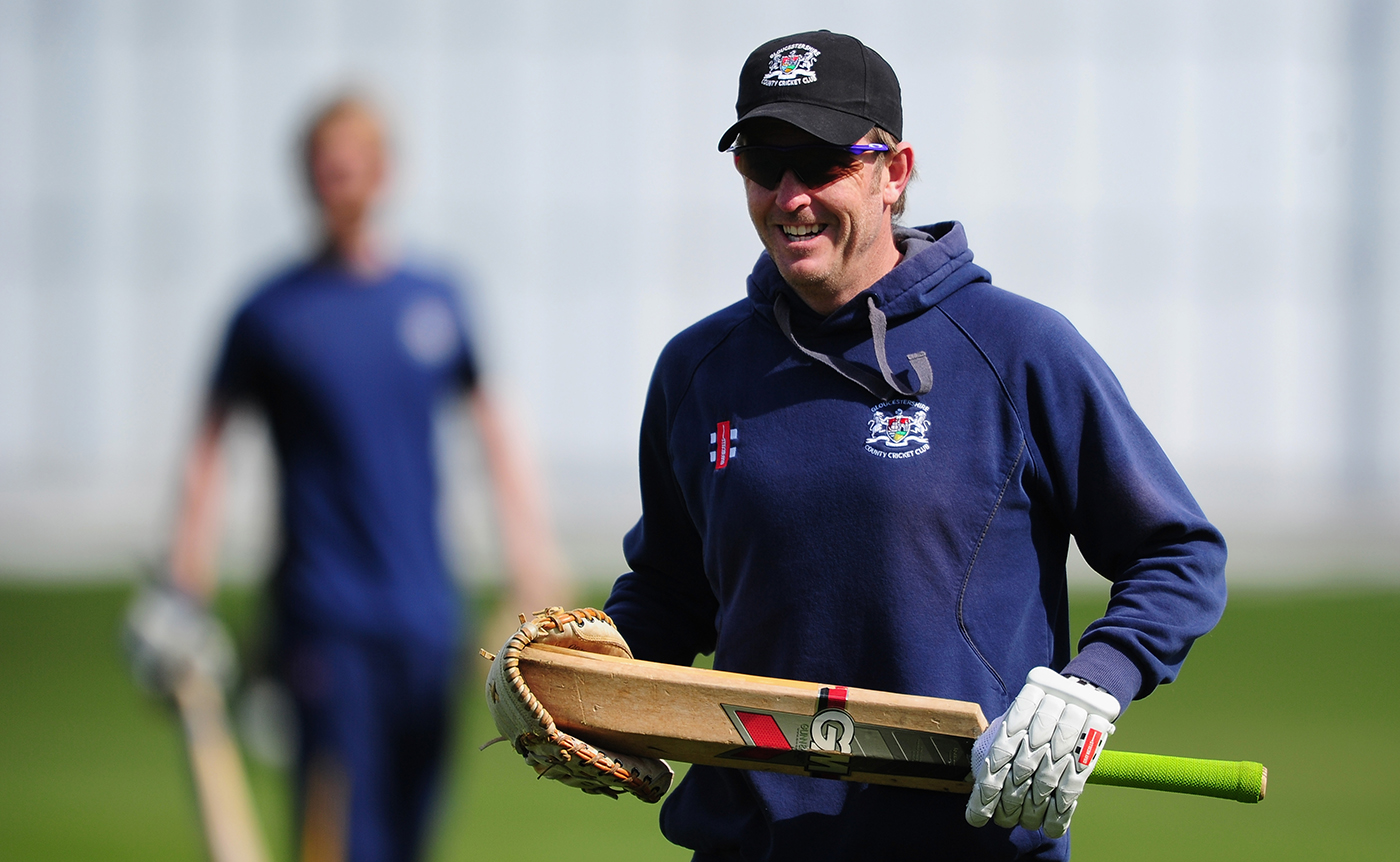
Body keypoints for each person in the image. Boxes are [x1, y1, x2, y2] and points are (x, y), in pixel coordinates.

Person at [602, 31, 1227, 860]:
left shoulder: (1018, 349)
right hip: (746, 843)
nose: (789, 197)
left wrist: (1093, 684)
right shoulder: (697, 370)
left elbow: (1178, 553)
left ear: (892, 172)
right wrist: (587, 678)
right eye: (762, 162)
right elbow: (672, 593)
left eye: (821, 163)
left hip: (965, 840)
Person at [164, 95, 564, 862]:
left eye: (351, 170)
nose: (337, 187)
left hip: (426, 616)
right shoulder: (269, 312)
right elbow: (208, 447)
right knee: (340, 841)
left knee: (410, 835)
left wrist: (531, 572)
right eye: (323, 172)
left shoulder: (436, 300)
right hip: (324, 621)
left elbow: (499, 439)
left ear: (382, 176)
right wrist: (185, 586)